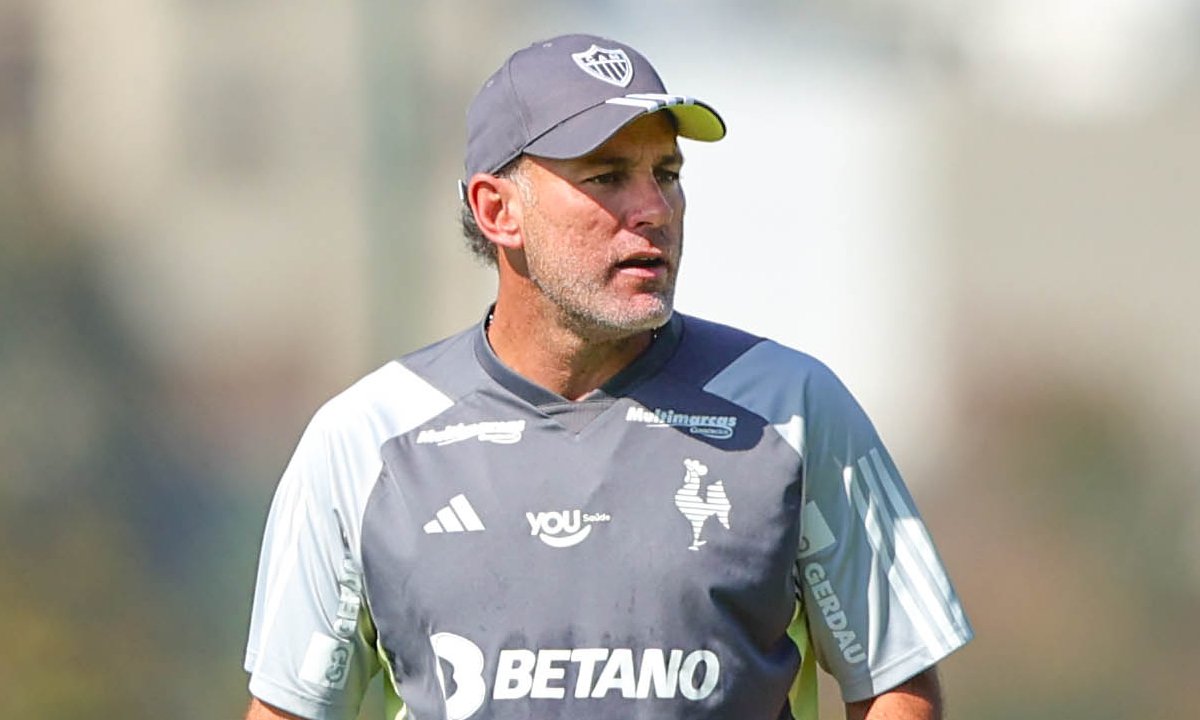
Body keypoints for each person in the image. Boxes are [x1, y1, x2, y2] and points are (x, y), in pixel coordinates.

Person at [242, 33, 973, 720]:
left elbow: (896, 684)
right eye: (608, 177)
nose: (653, 210)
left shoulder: (792, 407)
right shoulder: (366, 439)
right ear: (497, 211)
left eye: (667, 174)